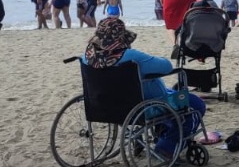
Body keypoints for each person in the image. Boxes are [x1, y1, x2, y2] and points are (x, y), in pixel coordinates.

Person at [81, 18, 206, 158]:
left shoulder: (87, 58)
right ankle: (167, 147)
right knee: (195, 104)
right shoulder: (131, 57)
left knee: (170, 95)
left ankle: (158, 134)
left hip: (105, 106)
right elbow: (166, 66)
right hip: (144, 106)